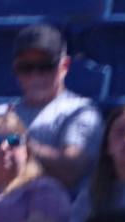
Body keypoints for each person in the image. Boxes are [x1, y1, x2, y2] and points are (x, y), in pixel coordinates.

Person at [8, 25, 102, 191]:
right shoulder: (2, 112)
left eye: (45, 66)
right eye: (26, 67)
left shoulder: (81, 111)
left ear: (64, 66)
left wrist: (18, 140)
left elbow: (71, 170)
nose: (34, 75)